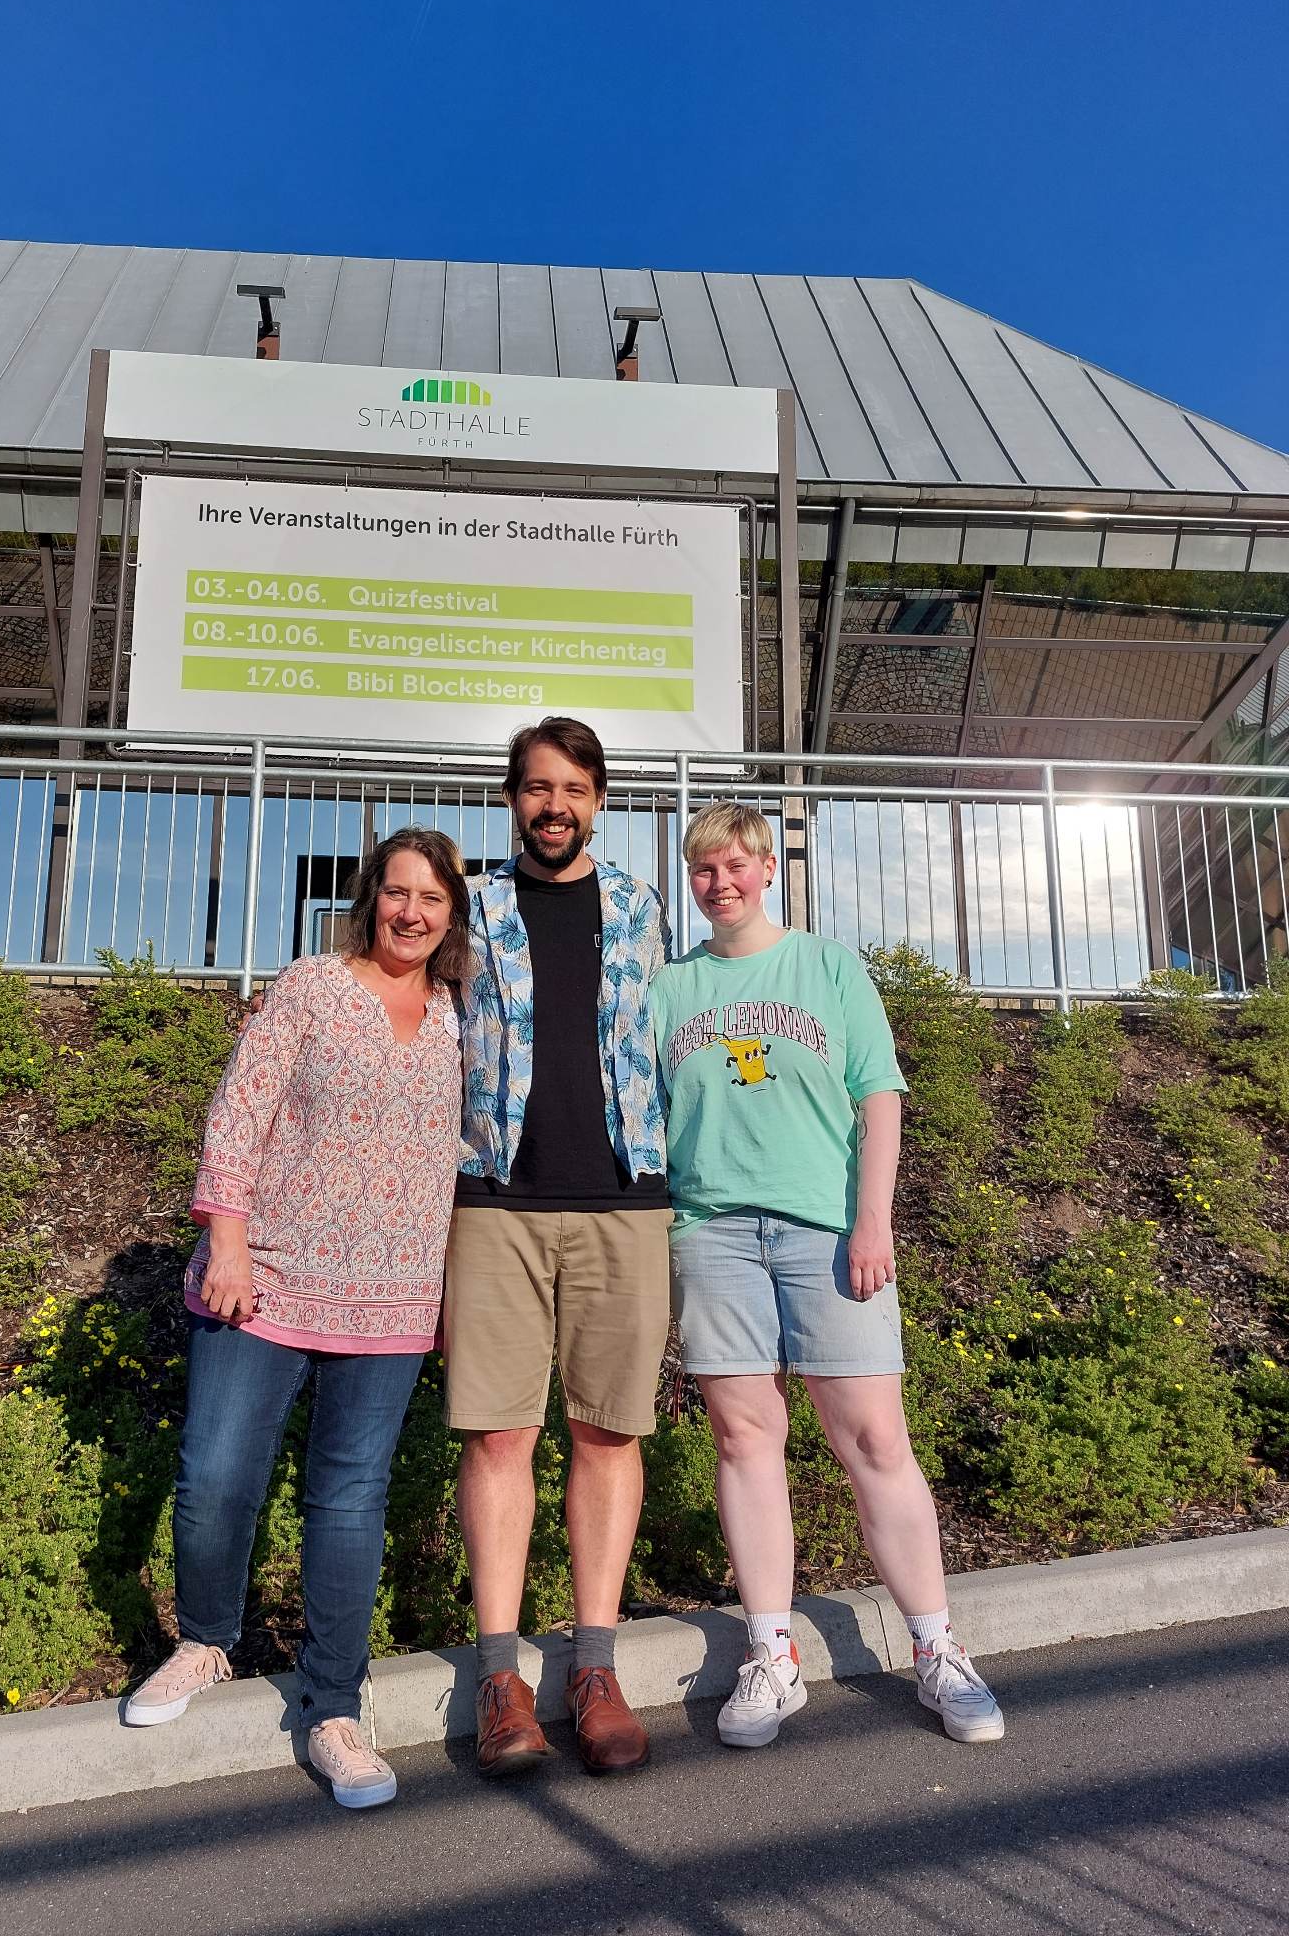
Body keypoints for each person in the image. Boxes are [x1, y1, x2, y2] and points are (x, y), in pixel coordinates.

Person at [124, 827, 470, 1811]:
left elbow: (471, 1158)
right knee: (218, 1474)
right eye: (397, 892)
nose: (411, 910)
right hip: (265, 1277)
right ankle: (205, 1641)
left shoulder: (459, 1017)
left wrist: (455, 1286)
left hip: (394, 1294)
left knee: (349, 1500)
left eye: (431, 898)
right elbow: (241, 1110)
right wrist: (225, 1238)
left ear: (451, 915)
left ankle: (332, 1703)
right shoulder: (314, 983)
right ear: (374, 899)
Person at [649, 801, 1004, 1749]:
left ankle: (936, 1648)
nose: (719, 884)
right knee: (744, 1439)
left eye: (735, 867)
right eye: (703, 871)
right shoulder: (668, 990)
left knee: (875, 1441)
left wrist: (871, 1221)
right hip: (712, 1234)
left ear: (767, 869)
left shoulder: (829, 968)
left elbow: (877, 1096)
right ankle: (773, 1654)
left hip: (825, 1233)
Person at [447, 717, 672, 1777]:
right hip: (494, 1197)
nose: (555, 805)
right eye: (537, 787)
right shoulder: (472, 906)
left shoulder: (637, 907)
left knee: (606, 1433)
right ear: (511, 798)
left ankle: (594, 1665)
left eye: (574, 787)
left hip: (624, 1197)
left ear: (598, 799)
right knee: (498, 1435)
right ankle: (502, 1675)